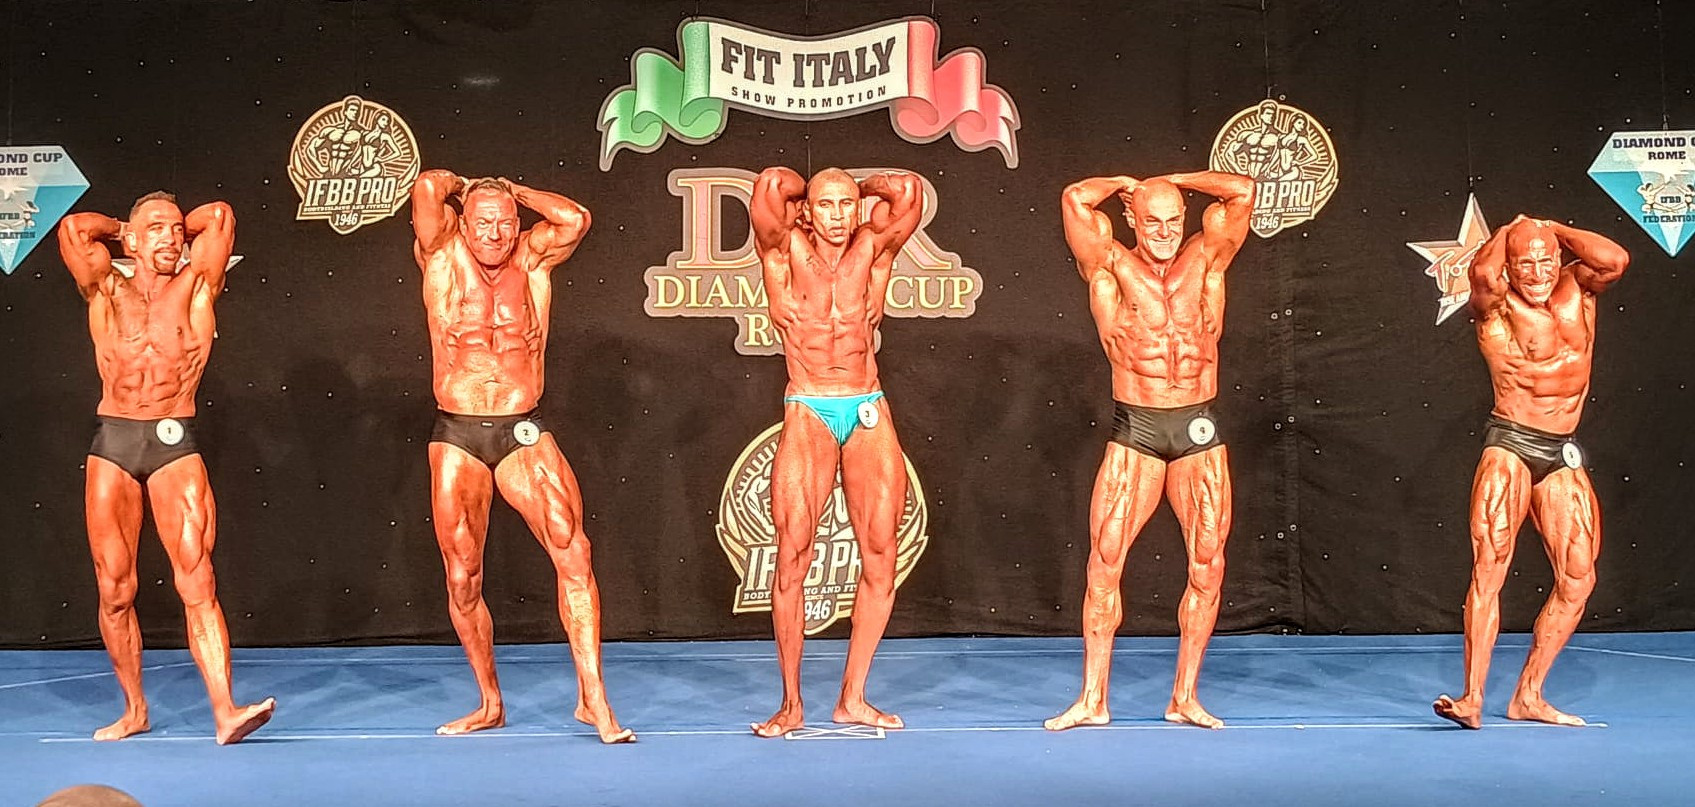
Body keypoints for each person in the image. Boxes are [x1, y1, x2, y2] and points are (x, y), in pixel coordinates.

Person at [409, 170, 633, 743]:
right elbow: (428, 189)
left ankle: (594, 698)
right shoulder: (441, 254)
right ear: (463, 222)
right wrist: (465, 185)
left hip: (521, 426)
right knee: (463, 575)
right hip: (457, 433)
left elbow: (575, 218)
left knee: (573, 550)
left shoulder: (532, 260)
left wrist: (517, 192)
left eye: (506, 223)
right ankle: (490, 702)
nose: (495, 234)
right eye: (484, 222)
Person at [56, 192, 273, 744]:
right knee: (115, 588)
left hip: (175, 442)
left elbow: (219, 215)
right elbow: (75, 229)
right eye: (157, 229)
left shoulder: (197, 285)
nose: (172, 237)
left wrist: (166, 230)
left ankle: (226, 711)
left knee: (198, 580)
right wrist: (126, 227)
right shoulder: (106, 287)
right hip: (114, 441)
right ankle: (135, 710)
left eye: (177, 230)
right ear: (130, 239)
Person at [1045, 169, 1253, 731]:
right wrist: (1122, 183)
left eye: (1174, 220)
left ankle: (1184, 697)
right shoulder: (1109, 264)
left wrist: (1177, 179)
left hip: (1197, 428)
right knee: (1104, 562)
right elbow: (1074, 197)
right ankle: (1093, 699)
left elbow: (1242, 191)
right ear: (1132, 220)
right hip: (1136, 428)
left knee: (1208, 565)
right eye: (1152, 221)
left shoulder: (1207, 258)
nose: (1164, 232)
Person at [747, 166, 924, 737]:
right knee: (792, 554)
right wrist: (814, 189)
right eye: (826, 205)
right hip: (809, 406)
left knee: (881, 553)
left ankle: (853, 697)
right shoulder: (783, 249)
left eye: (847, 204)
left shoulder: (874, 249)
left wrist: (856, 184)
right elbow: (770, 186)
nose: (839, 215)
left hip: (866, 401)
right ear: (807, 211)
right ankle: (791, 703)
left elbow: (908, 191)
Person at [1433, 216, 1630, 728]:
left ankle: (1528, 696)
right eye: (1526, 264)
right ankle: (1472, 697)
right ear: (1511, 267)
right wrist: (1509, 231)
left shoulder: (1579, 287)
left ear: (1560, 257)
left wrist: (1552, 228)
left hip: (1561, 449)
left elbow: (1615, 259)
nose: (1538, 273)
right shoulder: (1496, 307)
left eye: (1546, 261)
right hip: (1512, 445)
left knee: (1579, 577)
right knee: (1490, 566)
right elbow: (1482, 275)